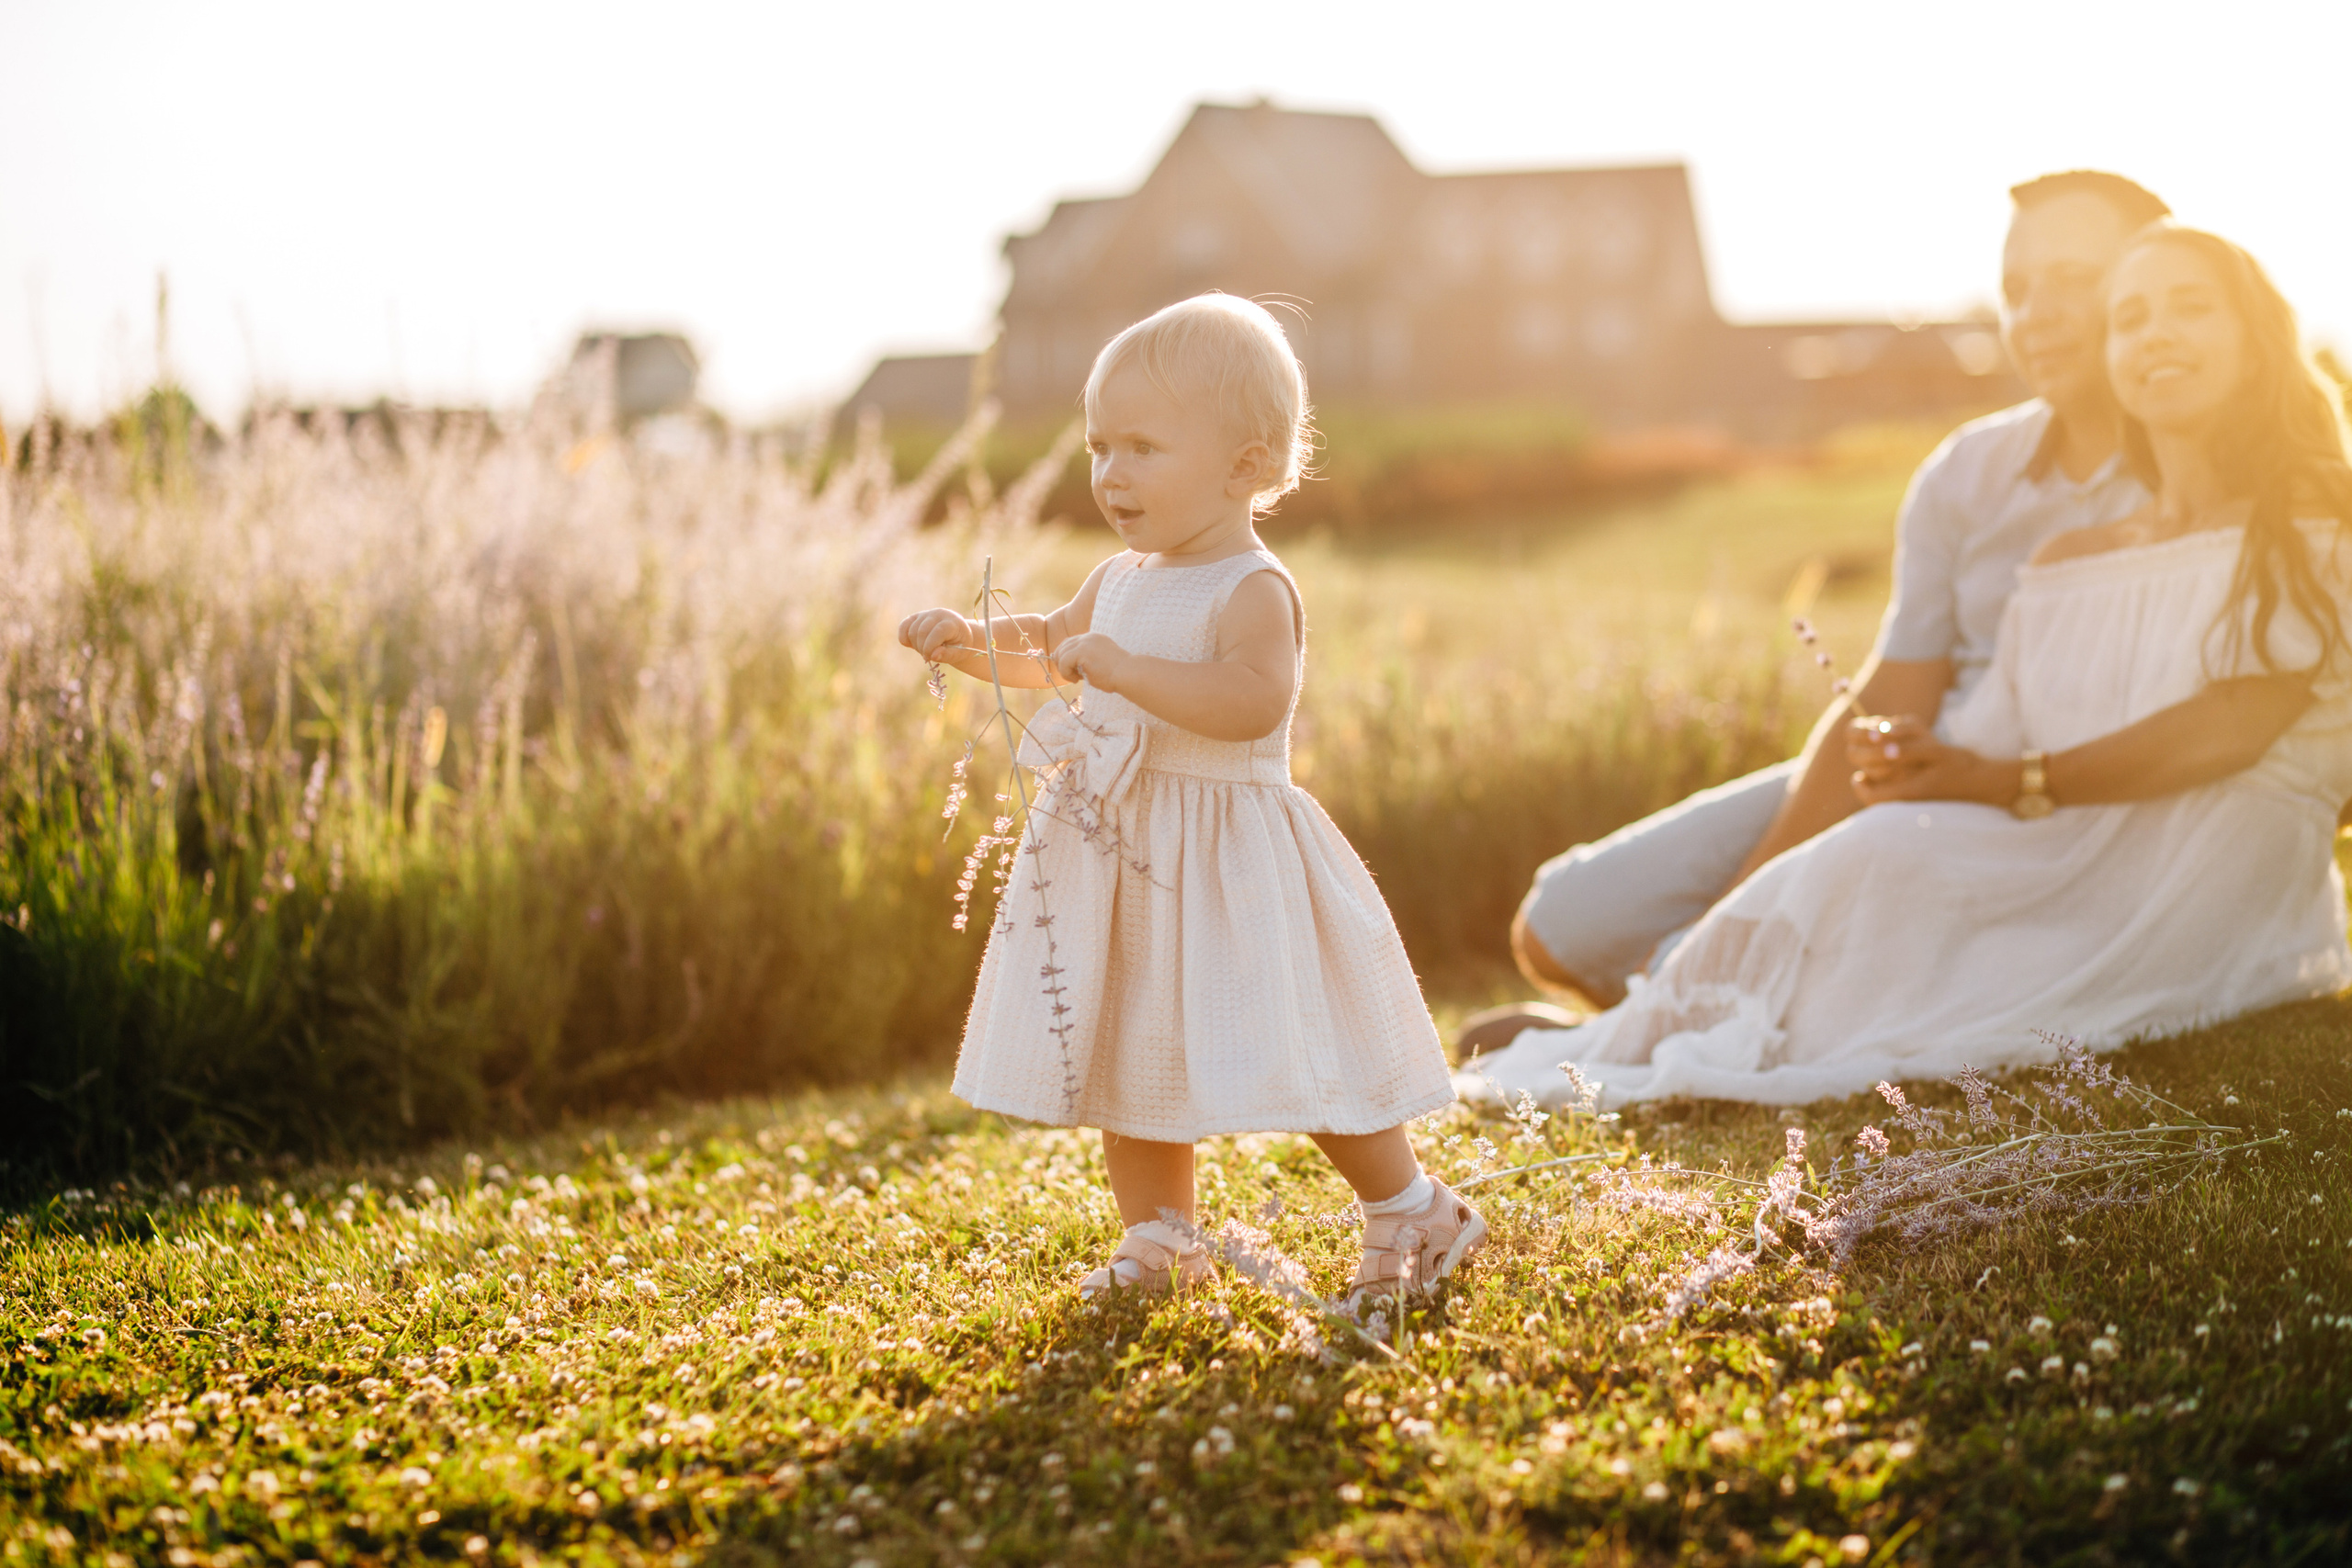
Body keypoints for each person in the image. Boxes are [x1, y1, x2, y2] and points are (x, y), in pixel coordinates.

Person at [1460, 223, 2352, 1109]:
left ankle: (1649, 1024)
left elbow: (2232, 727)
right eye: (2131, 318)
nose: (2155, 334)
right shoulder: (2071, 557)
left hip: (2211, 871)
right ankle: (1647, 1025)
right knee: (1875, 849)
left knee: (1891, 861)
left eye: (2191, 308)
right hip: (2063, 836)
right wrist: (1919, 760)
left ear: (2255, 343)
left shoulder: (2310, 520)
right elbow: (2002, 720)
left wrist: (2001, 778)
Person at [900, 294, 1483, 1304]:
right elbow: (1051, 646)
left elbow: (1253, 702)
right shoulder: (1119, 578)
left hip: (1227, 861)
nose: (1111, 474)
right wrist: (970, 641)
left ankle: (1413, 1208)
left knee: (1301, 1046)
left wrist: (1128, 671)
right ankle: (1162, 1239)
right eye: (1099, 448)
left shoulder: (1250, 587)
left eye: (1142, 448)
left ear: (1245, 466)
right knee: (1131, 1053)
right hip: (1127, 856)